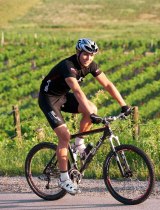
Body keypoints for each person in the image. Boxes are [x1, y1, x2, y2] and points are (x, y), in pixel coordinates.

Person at [38, 38, 131, 195]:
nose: (89, 58)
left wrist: (123, 104)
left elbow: (107, 84)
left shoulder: (91, 66)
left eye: (92, 55)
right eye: (86, 54)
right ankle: (63, 179)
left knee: (92, 107)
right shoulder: (68, 66)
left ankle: (79, 144)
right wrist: (91, 115)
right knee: (64, 136)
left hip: (62, 96)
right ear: (78, 52)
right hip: (48, 99)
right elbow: (77, 91)